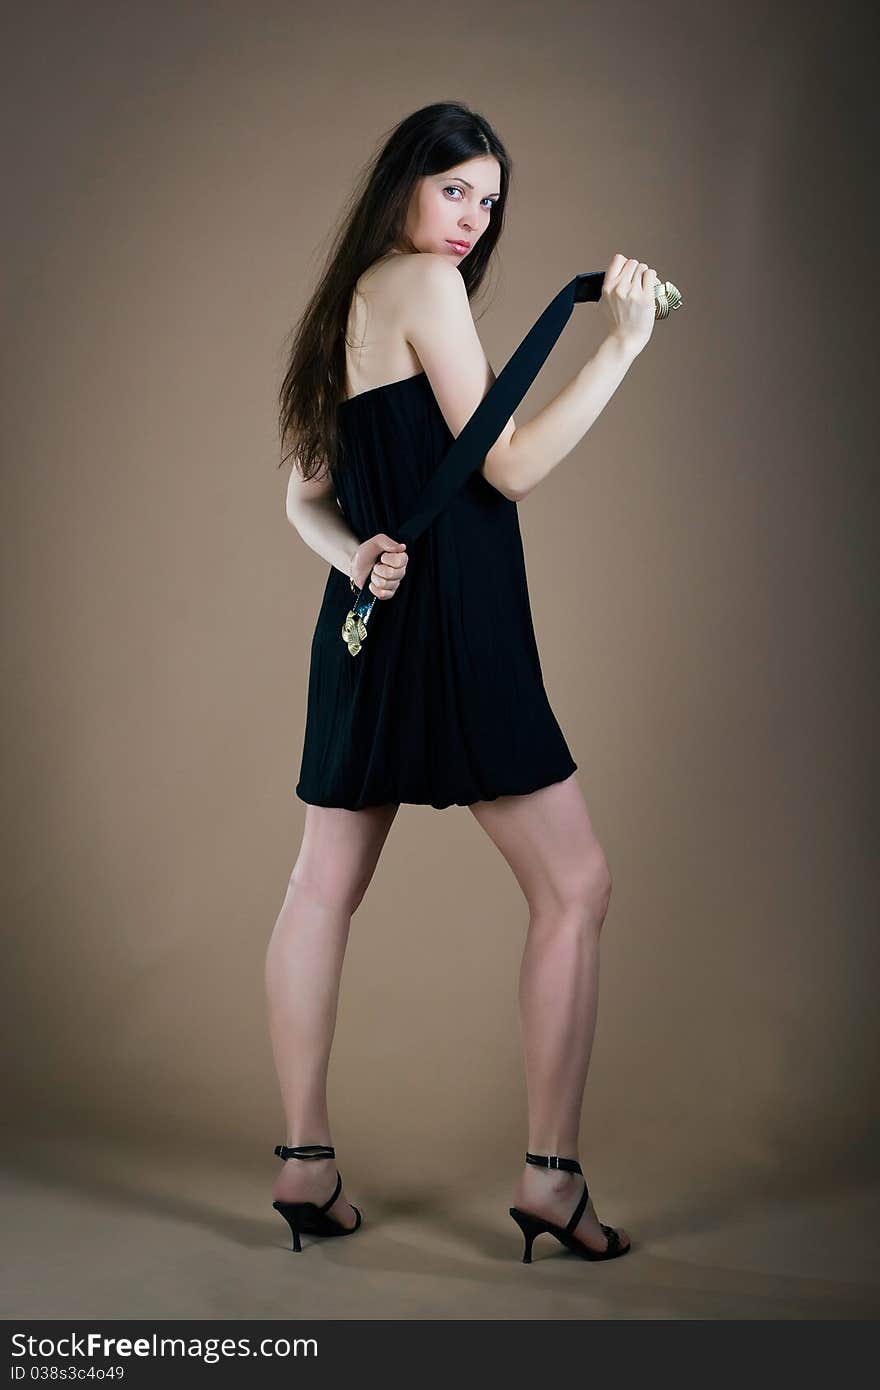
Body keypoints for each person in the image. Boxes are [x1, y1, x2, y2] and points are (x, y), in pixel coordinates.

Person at [267, 101, 656, 1262]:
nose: (472, 222)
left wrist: (358, 557)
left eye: (488, 203)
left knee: (317, 890)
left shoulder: (341, 305)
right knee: (574, 886)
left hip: (366, 617)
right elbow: (512, 464)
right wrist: (624, 345)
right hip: (458, 619)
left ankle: (303, 1162)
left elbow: (303, 497)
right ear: (405, 183)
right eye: (456, 191)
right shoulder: (425, 290)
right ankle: (551, 1178)